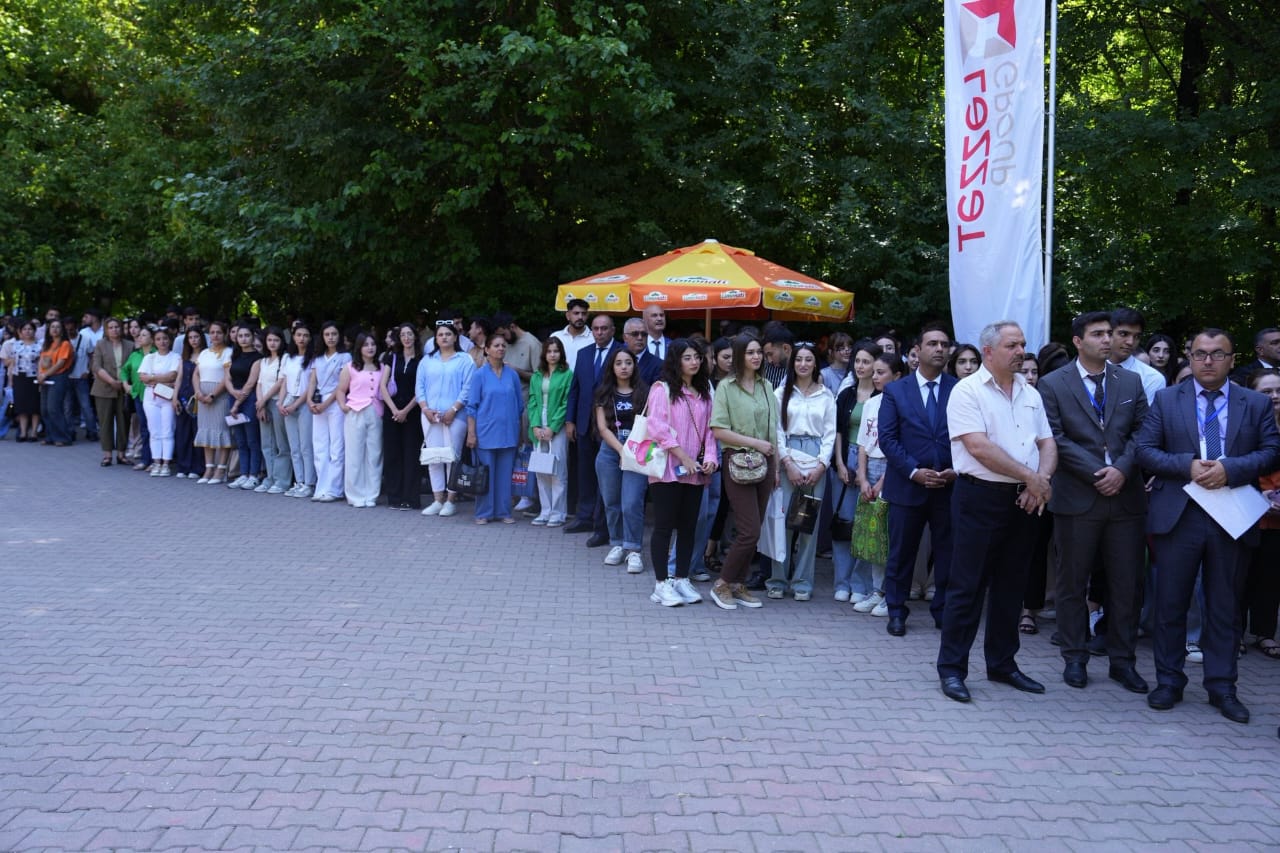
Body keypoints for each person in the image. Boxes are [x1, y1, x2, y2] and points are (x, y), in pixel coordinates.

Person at [1135, 329, 1280, 723]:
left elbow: (1271, 451)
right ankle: (1169, 681)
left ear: (1232, 359)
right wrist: (1188, 466)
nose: (1208, 361)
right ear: (1190, 357)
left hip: (1231, 515)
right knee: (1171, 604)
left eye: (1218, 354)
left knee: (1225, 607)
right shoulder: (1167, 399)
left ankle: (1222, 687)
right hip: (1179, 514)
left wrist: (1230, 469)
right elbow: (1145, 450)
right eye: (1200, 354)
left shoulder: (1254, 403)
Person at [938, 321, 1057, 703]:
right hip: (979, 498)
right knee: (967, 587)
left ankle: (1003, 664)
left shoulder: (1030, 393)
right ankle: (952, 669)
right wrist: (1031, 478)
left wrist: (1040, 480)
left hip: (1024, 500)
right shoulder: (967, 391)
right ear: (988, 351)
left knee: (1012, 585)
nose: (1021, 351)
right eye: (1012, 345)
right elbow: (978, 447)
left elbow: (1047, 443)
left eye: (1022, 344)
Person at [1038, 311, 1150, 693]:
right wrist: (1098, 472)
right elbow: (1053, 437)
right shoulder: (1053, 383)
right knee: (1072, 583)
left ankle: (1123, 662)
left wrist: (1121, 469)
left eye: (1109, 333)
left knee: (1126, 585)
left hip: (1125, 498)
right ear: (1078, 340)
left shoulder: (1130, 381)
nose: (1108, 340)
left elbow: (1143, 432)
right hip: (1077, 496)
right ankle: (1074, 657)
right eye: (1098, 334)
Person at [879, 323, 957, 635]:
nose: (939, 349)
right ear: (917, 350)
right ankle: (896, 610)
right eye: (933, 343)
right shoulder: (896, 390)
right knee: (901, 554)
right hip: (907, 485)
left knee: (948, 554)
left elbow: (969, 436)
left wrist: (954, 469)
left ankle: (944, 610)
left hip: (948, 485)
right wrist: (914, 471)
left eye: (944, 344)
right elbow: (888, 439)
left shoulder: (960, 390)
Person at [643, 340, 719, 606]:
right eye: (687, 358)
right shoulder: (661, 389)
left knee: (689, 527)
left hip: (695, 470)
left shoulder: (705, 390)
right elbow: (657, 428)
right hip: (667, 469)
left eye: (697, 357)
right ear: (676, 361)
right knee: (664, 526)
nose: (694, 362)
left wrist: (711, 458)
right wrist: (683, 456)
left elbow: (711, 430)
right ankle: (661, 584)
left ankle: (682, 578)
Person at [709, 334, 781, 610]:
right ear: (739, 355)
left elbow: (772, 430)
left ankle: (738, 584)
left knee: (755, 529)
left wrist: (775, 466)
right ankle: (722, 583)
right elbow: (718, 429)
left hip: (766, 462)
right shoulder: (726, 387)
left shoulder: (766, 385)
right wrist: (755, 443)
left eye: (759, 352)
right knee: (749, 530)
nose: (756, 356)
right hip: (738, 460)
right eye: (750, 352)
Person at [768, 342, 836, 602]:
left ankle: (803, 582)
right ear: (792, 362)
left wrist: (821, 466)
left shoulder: (826, 396)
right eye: (799, 359)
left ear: (815, 363)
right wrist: (786, 462)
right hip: (788, 455)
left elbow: (830, 434)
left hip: (816, 457)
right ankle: (777, 579)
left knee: (809, 525)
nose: (803, 364)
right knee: (782, 521)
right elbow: (776, 430)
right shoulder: (781, 392)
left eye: (808, 359)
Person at [850, 353, 904, 615]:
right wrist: (862, 477)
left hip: (891, 469)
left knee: (889, 534)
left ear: (897, 375)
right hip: (869, 467)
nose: (875, 377)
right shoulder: (871, 403)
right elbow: (862, 443)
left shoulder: (903, 404)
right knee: (872, 533)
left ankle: (888, 593)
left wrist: (883, 481)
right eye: (875, 372)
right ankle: (876, 590)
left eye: (881, 373)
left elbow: (899, 447)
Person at [564, 314, 622, 544]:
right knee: (585, 472)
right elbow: (575, 389)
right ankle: (585, 516)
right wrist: (570, 420)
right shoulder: (584, 353)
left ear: (612, 330)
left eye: (604, 328)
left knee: (606, 476)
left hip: (610, 425)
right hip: (584, 424)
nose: (599, 332)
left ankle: (603, 524)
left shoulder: (621, 353)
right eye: (596, 328)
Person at [831, 340, 881, 601]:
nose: (861, 366)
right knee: (843, 522)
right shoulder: (846, 394)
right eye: (858, 361)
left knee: (866, 526)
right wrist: (840, 464)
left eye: (866, 362)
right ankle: (841, 583)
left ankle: (860, 584)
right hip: (844, 457)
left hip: (871, 460)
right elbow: (838, 431)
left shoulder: (883, 397)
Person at [593, 348, 650, 572]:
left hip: (637, 451)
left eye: (628, 362)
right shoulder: (603, 393)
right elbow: (602, 428)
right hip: (610, 451)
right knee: (612, 502)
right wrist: (620, 450)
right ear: (612, 367)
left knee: (632, 502)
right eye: (619, 363)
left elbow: (651, 425)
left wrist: (629, 452)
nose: (624, 367)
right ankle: (617, 543)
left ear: (635, 366)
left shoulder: (645, 392)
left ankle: (633, 549)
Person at [416, 318, 474, 517]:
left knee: (452, 457)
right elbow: (420, 387)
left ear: (455, 337)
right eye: (440, 334)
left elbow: (468, 388)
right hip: (430, 416)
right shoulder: (427, 360)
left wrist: (454, 409)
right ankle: (437, 500)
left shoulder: (465, 359)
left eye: (448, 334)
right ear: (435, 339)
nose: (444, 337)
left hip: (455, 416)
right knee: (434, 457)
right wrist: (425, 409)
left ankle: (450, 500)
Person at [465, 334, 524, 524]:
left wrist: (519, 431)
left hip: (508, 432)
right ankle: (484, 512)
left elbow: (520, 405)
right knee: (485, 474)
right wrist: (471, 433)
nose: (501, 348)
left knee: (505, 475)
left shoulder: (512, 375)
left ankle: (504, 511)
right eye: (496, 345)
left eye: (503, 346)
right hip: (485, 432)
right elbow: (471, 407)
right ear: (487, 350)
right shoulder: (479, 375)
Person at [1243, 369, 1280, 660]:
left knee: (1271, 576)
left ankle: (1265, 633)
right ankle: (1234, 634)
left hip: (1277, 520)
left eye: (1279, 390)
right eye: (1266, 391)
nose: (1275, 396)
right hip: (1248, 511)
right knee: (1240, 576)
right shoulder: (1245, 426)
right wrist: (1261, 495)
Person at [336, 332, 386, 508]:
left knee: (374, 454)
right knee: (354, 454)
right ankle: (355, 495)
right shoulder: (350, 367)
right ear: (359, 347)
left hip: (376, 412)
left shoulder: (382, 367)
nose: (370, 348)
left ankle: (372, 494)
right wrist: (343, 406)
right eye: (366, 345)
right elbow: (340, 390)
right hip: (356, 411)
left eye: (373, 344)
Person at [528, 337, 572, 527]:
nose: (552, 355)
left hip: (557, 426)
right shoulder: (537, 375)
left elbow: (566, 403)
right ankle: (545, 511)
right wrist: (535, 425)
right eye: (549, 351)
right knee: (541, 469)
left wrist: (553, 428)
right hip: (539, 423)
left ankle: (558, 512)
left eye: (556, 351)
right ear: (544, 354)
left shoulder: (567, 374)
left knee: (558, 470)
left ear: (561, 353)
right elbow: (532, 401)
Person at [306, 321, 352, 503]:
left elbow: (342, 385)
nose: (331, 338)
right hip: (318, 404)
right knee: (319, 446)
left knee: (336, 447)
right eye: (327, 334)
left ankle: (335, 489)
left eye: (334, 334)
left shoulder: (345, 357)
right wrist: (309, 400)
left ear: (339, 336)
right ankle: (322, 487)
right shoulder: (317, 357)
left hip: (336, 403)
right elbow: (312, 381)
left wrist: (326, 404)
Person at [381, 323, 423, 510]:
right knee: (393, 454)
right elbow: (382, 386)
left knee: (411, 454)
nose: (406, 338)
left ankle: (411, 498)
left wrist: (405, 411)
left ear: (415, 337)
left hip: (412, 412)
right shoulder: (391, 357)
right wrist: (394, 410)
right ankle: (394, 497)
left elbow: (422, 388)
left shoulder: (422, 360)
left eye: (410, 334)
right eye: (403, 335)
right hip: (392, 412)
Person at [225, 325, 265, 490]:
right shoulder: (235, 355)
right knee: (240, 440)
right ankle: (243, 474)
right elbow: (227, 378)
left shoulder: (258, 358)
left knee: (252, 439)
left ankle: (254, 475)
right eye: (240, 336)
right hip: (234, 396)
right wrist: (232, 392)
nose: (243, 339)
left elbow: (250, 383)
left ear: (252, 337)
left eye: (247, 335)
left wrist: (237, 403)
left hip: (248, 399)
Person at [89, 317, 133, 465]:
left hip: (124, 388)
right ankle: (107, 454)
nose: (114, 330)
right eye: (111, 327)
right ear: (106, 330)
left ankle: (121, 454)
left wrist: (124, 383)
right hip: (104, 388)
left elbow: (132, 366)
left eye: (117, 327)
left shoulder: (130, 345)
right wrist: (111, 381)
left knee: (123, 422)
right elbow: (96, 366)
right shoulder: (100, 344)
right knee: (105, 422)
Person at [137, 328, 181, 477]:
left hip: (167, 397)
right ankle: (156, 462)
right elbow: (142, 377)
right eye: (158, 339)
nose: (162, 342)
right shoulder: (149, 357)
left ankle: (166, 463)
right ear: (154, 341)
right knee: (154, 431)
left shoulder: (175, 357)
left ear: (170, 340)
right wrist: (162, 379)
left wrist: (153, 377)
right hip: (151, 397)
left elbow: (173, 376)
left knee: (167, 431)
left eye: (165, 338)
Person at [193, 321, 233, 484]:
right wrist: (198, 392)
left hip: (219, 396)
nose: (215, 335)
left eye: (219, 332)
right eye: (212, 332)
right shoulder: (204, 353)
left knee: (221, 431)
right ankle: (209, 467)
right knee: (206, 431)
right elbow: (196, 374)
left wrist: (213, 395)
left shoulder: (229, 352)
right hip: (202, 397)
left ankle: (221, 469)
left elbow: (227, 377)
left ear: (225, 334)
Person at [254, 327, 292, 494]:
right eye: (269, 340)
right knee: (267, 443)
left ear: (282, 342)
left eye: (276, 340)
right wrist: (260, 404)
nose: (272, 343)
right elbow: (259, 383)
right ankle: (269, 478)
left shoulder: (285, 358)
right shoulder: (264, 361)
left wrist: (264, 400)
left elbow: (280, 382)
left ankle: (282, 481)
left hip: (277, 401)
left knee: (281, 443)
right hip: (264, 403)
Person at [280, 323, 316, 498]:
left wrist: (296, 404)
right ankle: (299, 481)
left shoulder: (313, 358)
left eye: (306, 335)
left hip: (304, 402)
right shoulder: (288, 358)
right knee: (294, 446)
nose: (302, 338)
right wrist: (280, 403)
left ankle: (309, 483)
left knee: (305, 445)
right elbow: (284, 382)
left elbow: (310, 385)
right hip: (289, 400)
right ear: (293, 337)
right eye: (299, 335)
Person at [1108, 307, 1166, 405]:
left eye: (1137, 336)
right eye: (1123, 334)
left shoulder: (1151, 378)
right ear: (1109, 333)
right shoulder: (1088, 369)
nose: (1130, 342)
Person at [172, 327, 204, 478]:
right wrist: (174, 397)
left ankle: (197, 468)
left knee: (197, 431)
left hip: (198, 396)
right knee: (183, 432)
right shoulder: (184, 357)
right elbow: (179, 378)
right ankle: (183, 466)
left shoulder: (206, 355)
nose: (194, 340)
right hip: (183, 396)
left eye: (196, 337)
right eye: (190, 337)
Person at [37, 318, 75, 446]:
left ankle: (63, 437)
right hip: (45, 378)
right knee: (44, 409)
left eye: (58, 327)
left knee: (53, 408)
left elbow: (60, 363)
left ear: (62, 330)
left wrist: (45, 374)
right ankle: (50, 436)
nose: (55, 329)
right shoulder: (47, 344)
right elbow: (41, 360)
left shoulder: (65, 344)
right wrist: (40, 374)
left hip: (58, 377)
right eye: (52, 327)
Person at [71, 309, 104, 441]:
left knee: (91, 402)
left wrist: (90, 370)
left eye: (86, 316)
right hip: (83, 372)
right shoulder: (83, 332)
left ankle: (95, 428)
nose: (83, 319)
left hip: (99, 370)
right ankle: (84, 424)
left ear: (94, 317)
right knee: (84, 402)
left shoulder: (105, 331)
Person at [8, 320, 42, 442]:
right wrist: (10, 380)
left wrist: (41, 377)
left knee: (34, 406)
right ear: (20, 332)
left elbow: (41, 364)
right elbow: (12, 363)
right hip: (19, 377)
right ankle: (23, 432)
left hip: (34, 377)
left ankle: (34, 432)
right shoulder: (16, 345)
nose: (27, 331)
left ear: (34, 331)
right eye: (25, 329)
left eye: (30, 329)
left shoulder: (40, 345)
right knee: (21, 406)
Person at [550, 298, 593, 368]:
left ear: (587, 316)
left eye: (584, 314)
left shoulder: (594, 338)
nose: (580, 317)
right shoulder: (556, 337)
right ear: (568, 315)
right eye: (576, 313)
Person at [624, 317, 663, 384]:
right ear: (625, 338)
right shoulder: (616, 361)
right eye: (635, 334)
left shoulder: (658, 364)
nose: (640, 338)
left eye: (644, 334)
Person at [820, 332, 853, 396]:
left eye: (850, 347)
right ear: (831, 352)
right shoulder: (823, 375)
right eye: (842, 348)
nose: (847, 351)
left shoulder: (855, 372)